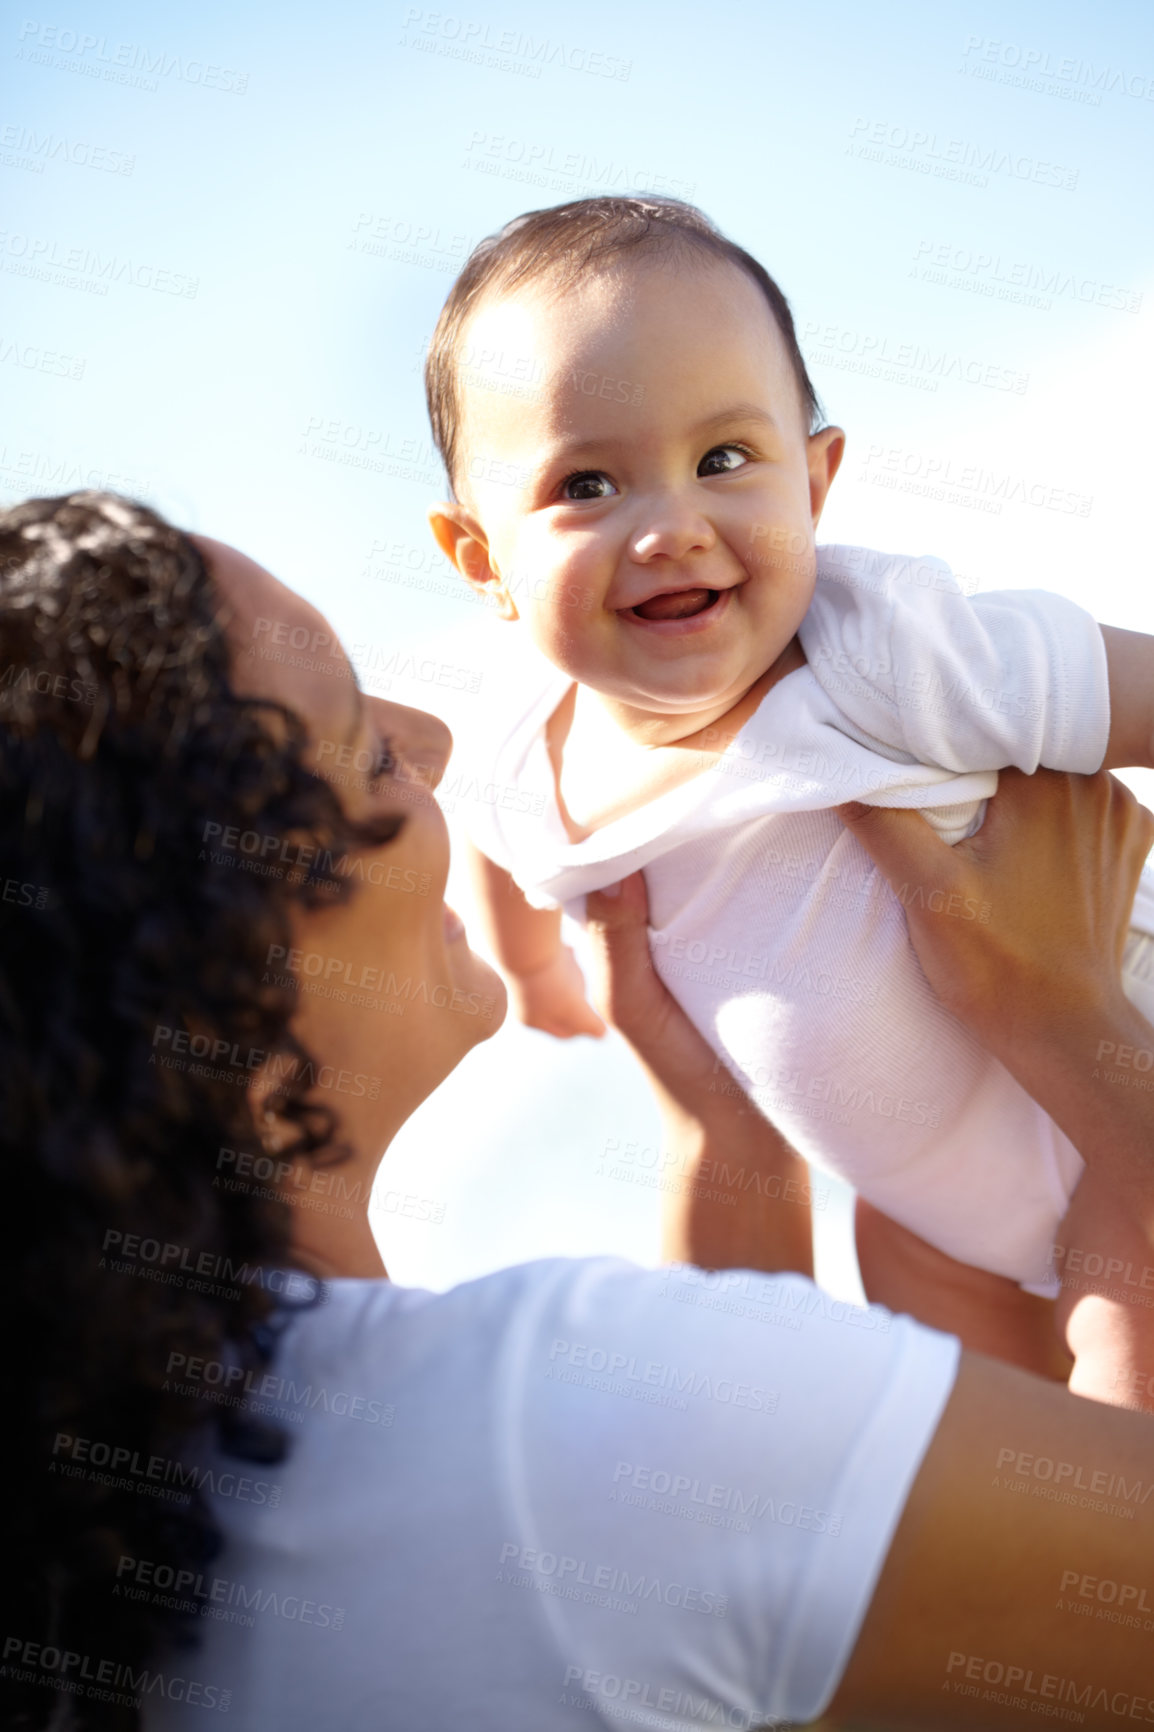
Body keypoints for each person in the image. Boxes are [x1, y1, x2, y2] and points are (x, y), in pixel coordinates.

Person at [4, 491, 1154, 1732]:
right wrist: (1078, 1036)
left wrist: (723, 1123)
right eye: (366, 748)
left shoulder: (96, 1545)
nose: (434, 741)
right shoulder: (529, 1446)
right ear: (210, 966)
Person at [422, 193, 1154, 1402]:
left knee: (1118, 1412)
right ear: (480, 560)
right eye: (587, 483)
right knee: (942, 1397)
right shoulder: (520, 750)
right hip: (923, 1209)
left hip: (1118, 1122)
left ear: (814, 484)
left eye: (722, 460)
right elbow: (496, 846)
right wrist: (537, 977)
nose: (670, 526)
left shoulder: (881, 655)